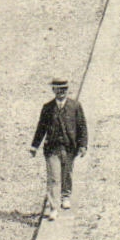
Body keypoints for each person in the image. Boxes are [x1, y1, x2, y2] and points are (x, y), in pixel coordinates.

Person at [30, 78, 87, 220]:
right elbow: (41, 128)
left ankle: (65, 196)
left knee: (67, 173)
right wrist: (34, 146)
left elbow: (82, 127)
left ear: (67, 90)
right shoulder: (47, 108)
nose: (61, 93)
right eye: (58, 90)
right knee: (54, 178)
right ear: (53, 90)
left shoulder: (75, 106)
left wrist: (83, 145)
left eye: (64, 90)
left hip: (69, 147)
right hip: (52, 148)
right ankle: (53, 208)